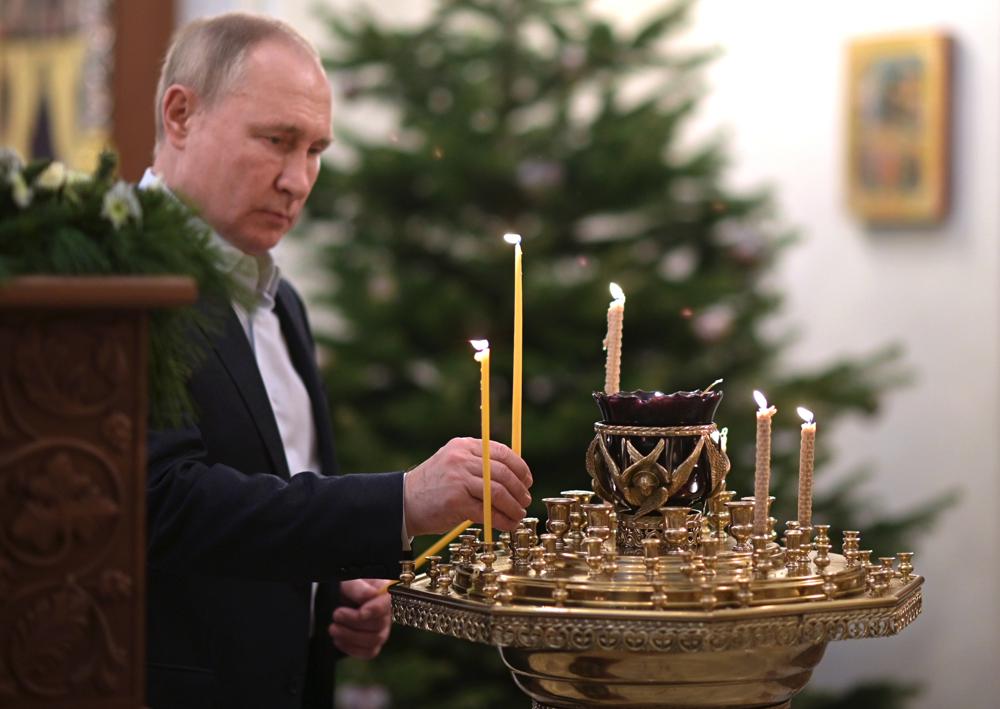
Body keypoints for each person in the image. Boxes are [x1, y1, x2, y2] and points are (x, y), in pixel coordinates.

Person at [143, 13, 532, 709]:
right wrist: (401, 502)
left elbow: (280, 485)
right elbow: (164, 503)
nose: (298, 180)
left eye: (316, 149)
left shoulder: (280, 297)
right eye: (276, 141)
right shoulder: (115, 279)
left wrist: (335, 582)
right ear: (181, 115)